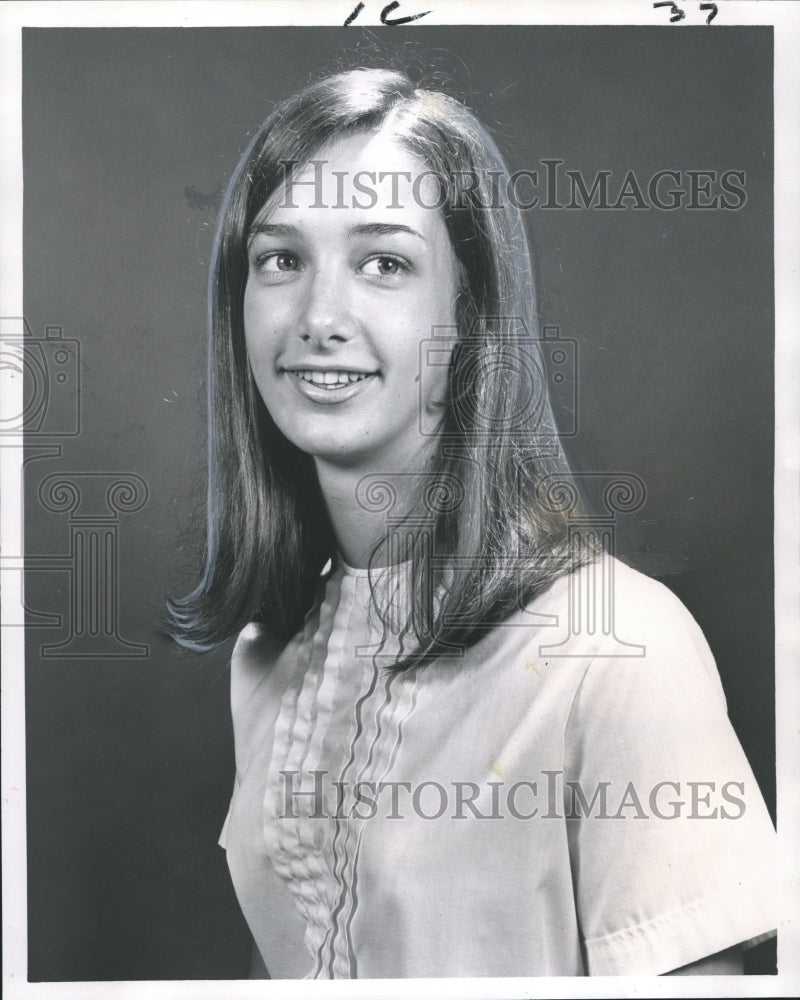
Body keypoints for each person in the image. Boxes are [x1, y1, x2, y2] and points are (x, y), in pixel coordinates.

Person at [167, 67, 777, 979]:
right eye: (280, 259)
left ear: (473, 319)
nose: (318, 317)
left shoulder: (621, 651)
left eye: (384, 263)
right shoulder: (270, 655)